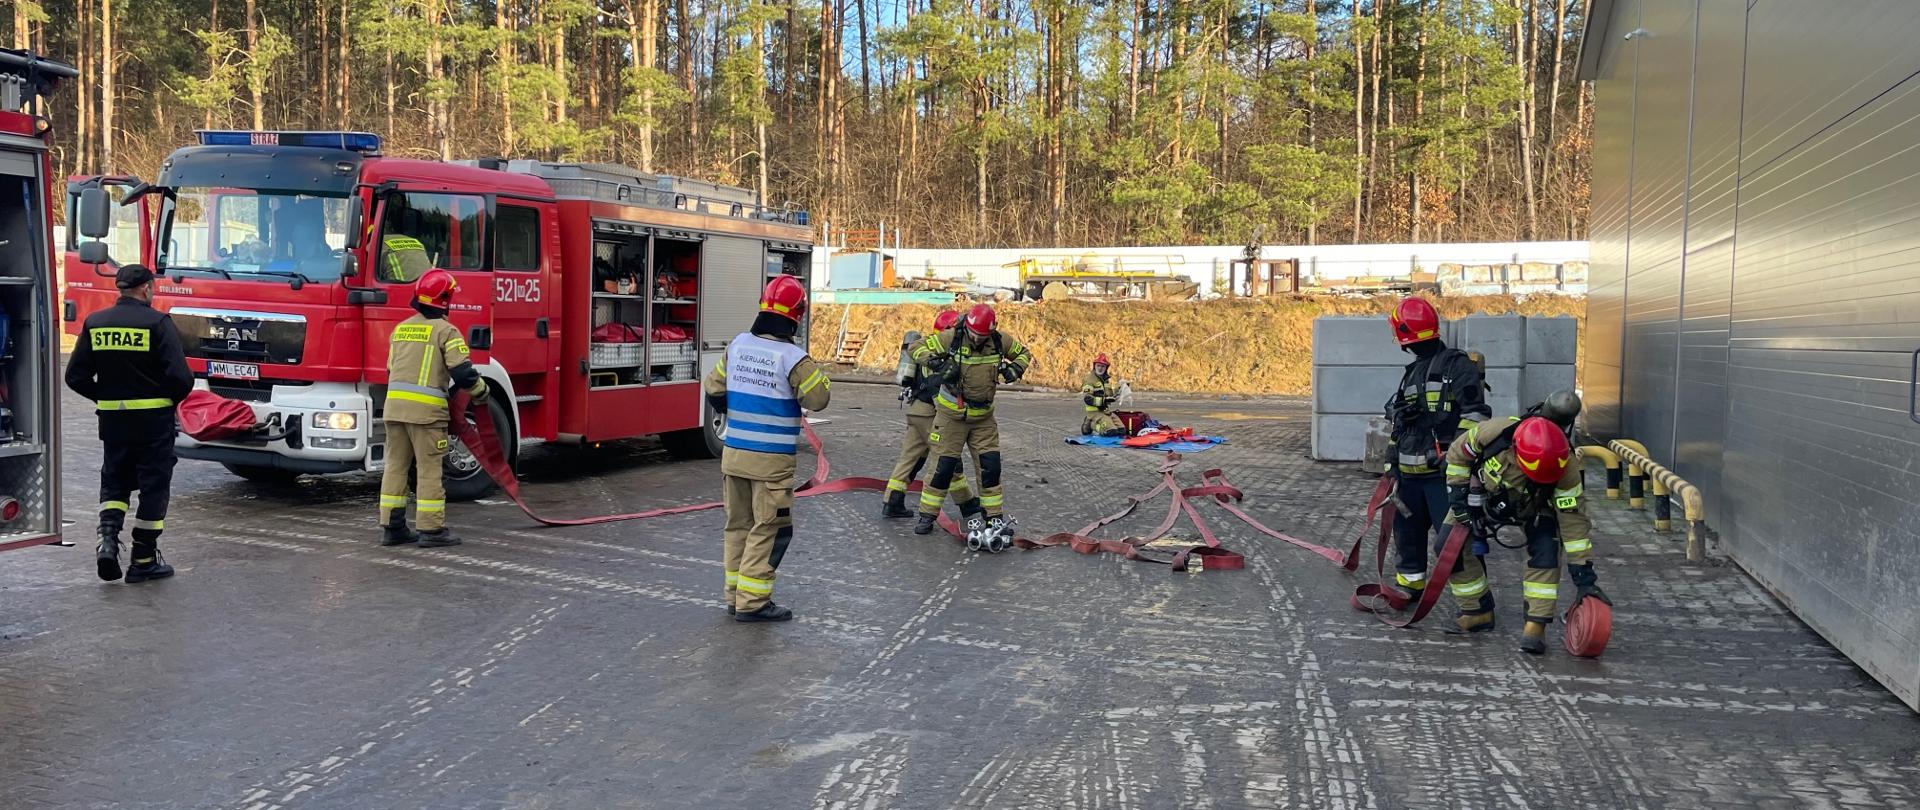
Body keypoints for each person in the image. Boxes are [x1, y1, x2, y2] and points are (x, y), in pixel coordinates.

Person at [702, 275, 832, 622]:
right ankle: (753, 602)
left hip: (734, 455)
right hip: (771, 463)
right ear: (797, 315)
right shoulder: (793, 358)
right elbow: (818, 399)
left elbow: (713, 389)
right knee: (770, 528)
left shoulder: (738, 345)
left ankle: (735, 596)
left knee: (738, 526)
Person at [65, 264, 193, 583]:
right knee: (153, 486)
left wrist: (106, 397)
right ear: (146, 288)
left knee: (115, 482)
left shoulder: (96, 323)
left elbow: (75, 376)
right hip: (153, 423)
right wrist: (167, 400)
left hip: (114, 423)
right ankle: (143, 560)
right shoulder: (158, 323)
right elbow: (181, 377)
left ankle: (107, 543)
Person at [1444, 414, 1608, 653]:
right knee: (1448, 546)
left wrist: (1583, 574)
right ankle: (1476, 611)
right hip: (1483, 496)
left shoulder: (1566, 465)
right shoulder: (1494, 433)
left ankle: (1535, 626)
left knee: (1546, 551)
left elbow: (1572, 520)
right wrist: (1458, 497)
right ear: (1515, 450)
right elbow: (1458, 453)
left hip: (1535, 507)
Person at [1381, 297, 1489, 610]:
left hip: (1442, 477)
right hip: (1409, 478)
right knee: (1407, 537)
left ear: (1404, 334)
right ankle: (1409, 588)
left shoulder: (1457, 366)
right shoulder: (1412, 372)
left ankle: (1477, 606)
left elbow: (1476, 416)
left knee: (1454, 544)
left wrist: (1455, 457)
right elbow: (1400, 427)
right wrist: (1391, 464)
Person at [378, 269, 489, 548]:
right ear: (445, 300)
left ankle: (393, 528)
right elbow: (462, 372)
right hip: (426, 415)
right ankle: (431, 530)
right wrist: (481, 392)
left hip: (394, 411)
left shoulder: (401, 329)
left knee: (395, 467)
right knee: (429, 470)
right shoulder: (445, 331)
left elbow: (391, 369)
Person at [910, 304, 1034, 547]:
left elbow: (1024, 353)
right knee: (943, 467)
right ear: (967, 326)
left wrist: (1015, 369)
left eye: (982, 336)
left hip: (983, 418)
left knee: (990, 467)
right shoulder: (951, 338)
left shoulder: (999, 341)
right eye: (974, 334)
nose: (977, 339)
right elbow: (916, 348)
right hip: (951, 417)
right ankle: (927, 515)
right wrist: (937, 364)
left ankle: (993, 518)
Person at [882, 309, 983, 521]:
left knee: (909, 458)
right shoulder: (941, 356)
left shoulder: (925, 348)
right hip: (931, 414)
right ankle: (966, 503)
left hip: (916, 411)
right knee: (948, 460)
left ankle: (892, 501)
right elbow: (939, 390)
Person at [1080, 352, 1124, 437]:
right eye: (1098, 366)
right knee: (1111, 432)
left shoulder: (1105, 380)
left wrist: (1120, 388)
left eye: (1103, 366)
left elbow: (1110, 396)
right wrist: (1104, 401)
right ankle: (1091, 424)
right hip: (1094, 412)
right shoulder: (1089, 380)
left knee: (1121, 431)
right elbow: (1087, 399)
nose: (1100, 368)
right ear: (1094, 366)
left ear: (1106, 368)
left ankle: (1099, 423)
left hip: (1105, 411)